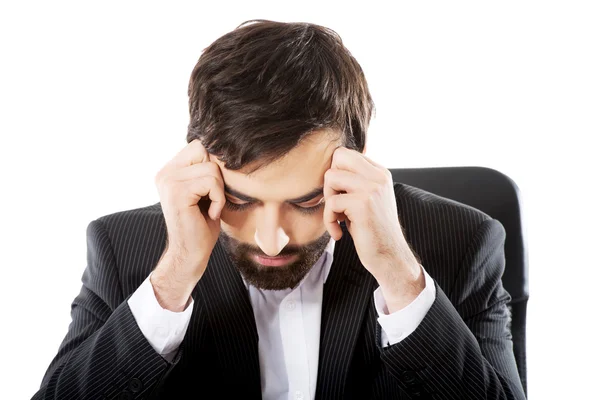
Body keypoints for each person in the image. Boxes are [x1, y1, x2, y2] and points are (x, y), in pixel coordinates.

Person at [31, 19, 526, 400]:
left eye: (306, 201)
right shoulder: (123, 249)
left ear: (353, 163)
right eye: (242, 201)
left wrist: (400, 277)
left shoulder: (463, 242)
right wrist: (174, 278)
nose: (272, 239)